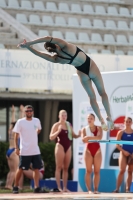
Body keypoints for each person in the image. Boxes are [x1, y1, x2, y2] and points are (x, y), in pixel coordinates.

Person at [17, 37, 114, 131]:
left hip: (81, 73)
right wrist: (30, 43)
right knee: (102, 93)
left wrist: (28, 47)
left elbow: (40, 54)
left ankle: (101, 119)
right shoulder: (66, 46)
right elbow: (47, 38)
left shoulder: (56, 59)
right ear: (55, 44)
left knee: (91, 96)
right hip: (90, 66)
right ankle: (109, 117)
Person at [12, 105, 46, 194]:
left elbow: (39, 129)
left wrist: (35, 133)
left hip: (35, 149)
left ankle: (36, 187)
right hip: (24, 150)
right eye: (27, 111)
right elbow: (16, 135)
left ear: (33, 112)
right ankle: (15, 187)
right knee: (20, 168)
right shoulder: (20, 122)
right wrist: (16, 147)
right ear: (24, 112)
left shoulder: (36, 120)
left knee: (36, 168)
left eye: (30, 111)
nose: (29, 112)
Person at [49, 110, 81, 192]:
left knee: (66, 168)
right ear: (59, 116)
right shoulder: (56, 125)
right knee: (59, 167)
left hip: (68, 146)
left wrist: (79, 135)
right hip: (60, 146)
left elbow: (74, 135)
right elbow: (51, 137)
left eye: (65, 115)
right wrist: (58, 131)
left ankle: (65, 188)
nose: (64, 117)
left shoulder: (68, 125)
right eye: (62, 115)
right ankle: (59, 187)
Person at [81, 113, 103, 194]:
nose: (89, 120)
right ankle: (89, 190)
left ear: (94, 120)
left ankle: (96, 189)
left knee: (97, 171)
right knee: (88, 171)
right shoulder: (84, 129)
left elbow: (99, 138)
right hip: (88, 150)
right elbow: (84, 140)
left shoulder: (99, 128)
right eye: (88, 118)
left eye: (91, 118)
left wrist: (88, 137)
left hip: (97, 150)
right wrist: (93, 138)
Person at [5, 105, 24, 190]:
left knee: (11, 170)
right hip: (13, 151)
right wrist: (22, 112)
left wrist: (13, 112)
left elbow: (13, 121)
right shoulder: (16, 132)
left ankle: (7, 185)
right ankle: (10, 185)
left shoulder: (10, 130)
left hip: (8, 151)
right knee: (15, 170)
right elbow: (20, 121)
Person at [113, 117, 133, 193]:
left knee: (130, 171)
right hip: (124, 153)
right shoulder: (121, 132)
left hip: (132, 154)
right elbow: (117, 144)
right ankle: (117, 189)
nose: (128, 123)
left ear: (131, 123)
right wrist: (123, 151)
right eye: (126, 122)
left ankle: (127, 189)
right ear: (124, 123)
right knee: (122, 170)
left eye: (129, 122)